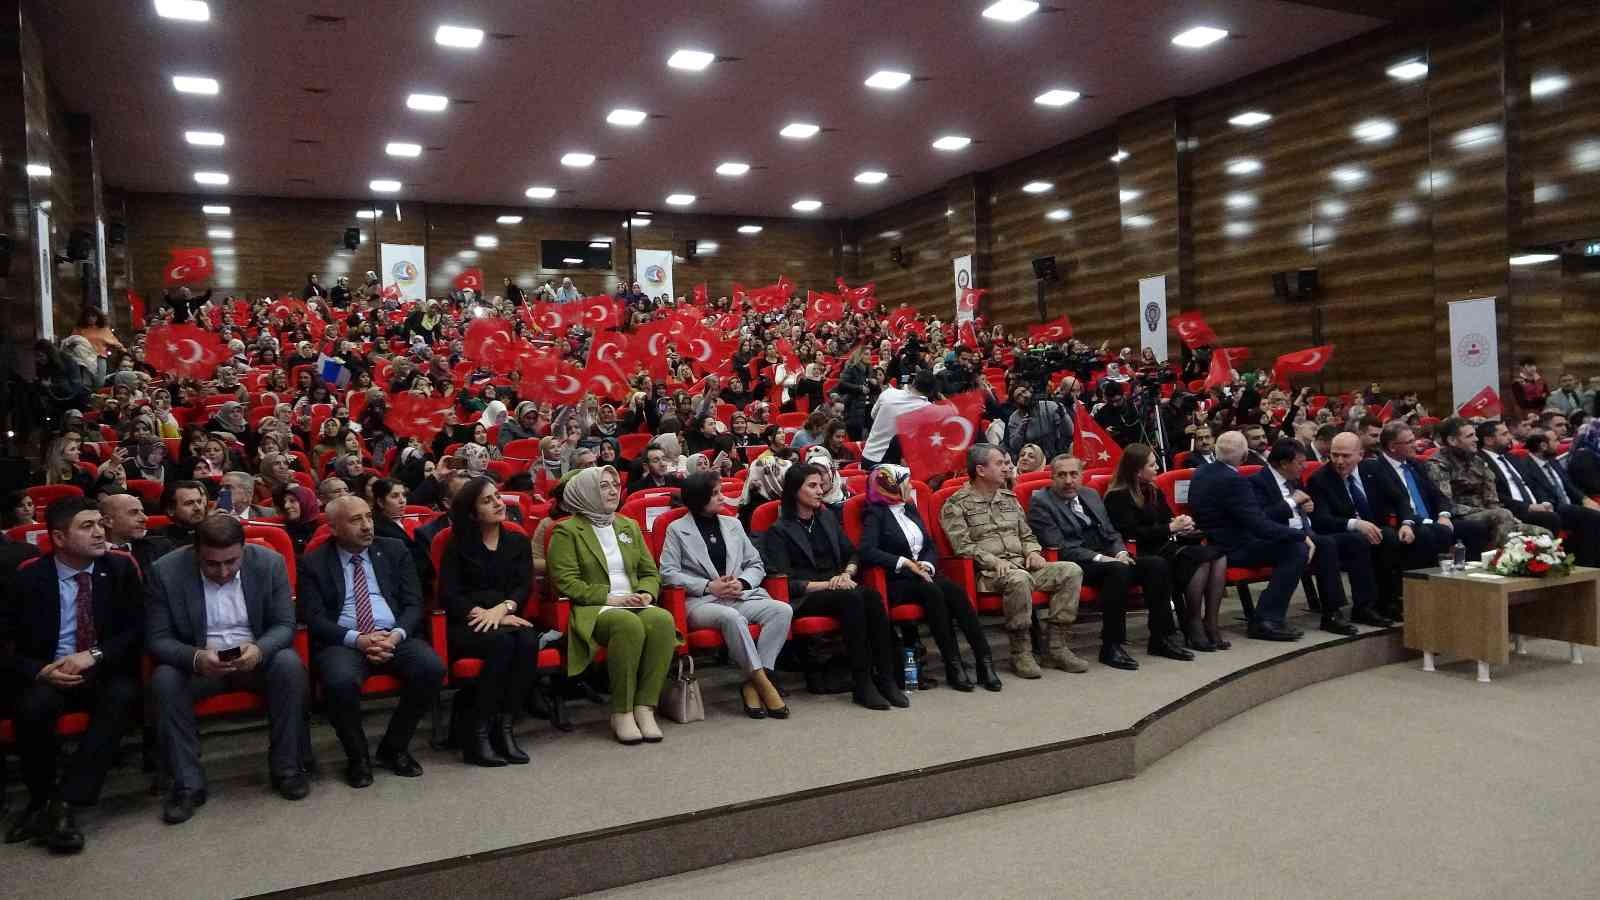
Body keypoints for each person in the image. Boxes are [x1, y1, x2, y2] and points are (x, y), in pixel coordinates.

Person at [146, 514, 311, 823]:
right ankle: (187, 785)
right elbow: (157, 639)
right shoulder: (165, 572)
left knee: (289, 665)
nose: (222, 571)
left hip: (254, 658)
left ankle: (288, 768)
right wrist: (196, 658)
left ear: (244, 549)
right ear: (196, 551)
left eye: (231, 562)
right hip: (200, 663)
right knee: (165, 679)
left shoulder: (269, 563)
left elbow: (284, 625)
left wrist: (260, 650)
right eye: (212, 564)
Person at [1, 499, 143, 853]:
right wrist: (39, 670)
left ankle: (64, 802)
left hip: (101, 668)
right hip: (48, 670)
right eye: (87, 526)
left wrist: (93, 655)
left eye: (99, 524)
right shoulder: (29, 576)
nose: (99, 532)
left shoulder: (119, 568)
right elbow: (5, 642)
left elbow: (136, 631)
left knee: (122, 696)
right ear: (59, 538)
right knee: (33, 707)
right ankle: (42, 798)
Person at [298, 497, 443, 787]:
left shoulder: (394, 549)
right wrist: (358, 640)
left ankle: (394, 747)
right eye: (355, 520)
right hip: (343, 640)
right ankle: (358, 757)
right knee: (339, 682)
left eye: (368, 517)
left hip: (394, 634)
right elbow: (312, 617)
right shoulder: (313, 562)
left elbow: (414, 603)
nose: (367, 526)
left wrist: (396, 635)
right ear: (334, 528)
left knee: (431, 668)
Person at [548, 466, 680, 743]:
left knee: (663, 620)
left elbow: (649, 572)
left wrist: (645, 593)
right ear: (585, 492)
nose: (612, 490)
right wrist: (610, 597)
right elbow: (566, 582)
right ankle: (621, 711)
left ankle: (645, 707)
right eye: (603, 486)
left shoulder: (627, 525)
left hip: (632, 601)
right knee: (627, 624)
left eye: (616, 484)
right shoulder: (566, 531)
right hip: (595, 607)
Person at [762, 463, 908, 710]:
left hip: (838, 585)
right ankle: (862, 685)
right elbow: (785, 582)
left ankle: (885, 678)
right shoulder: (779, 530)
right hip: (808, 595)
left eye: (821, 485)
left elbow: (853, 553)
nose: (820, 490)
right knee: (851, 599)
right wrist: (828, 584)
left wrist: (847, 573)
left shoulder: (826, 517)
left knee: (871, 596)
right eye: (812, 485)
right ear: (795, 491)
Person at [1028, 454, 1191, 665]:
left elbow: (1111, 533)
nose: (1069, 481)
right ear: (1052, 477)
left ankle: (1161, 638)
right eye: (1062, 475)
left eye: (1073, 474)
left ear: (1082, 476)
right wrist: (1103, 558)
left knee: (1155, 564)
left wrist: (1120, 552)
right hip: (1074, 564)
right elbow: (1060, 547)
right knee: (1118, 571)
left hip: (1108, 560)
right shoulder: (1041, 502)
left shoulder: (1090, 495)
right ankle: (1111, 645)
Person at [939, 444, 1085, 677]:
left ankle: (1057, 648)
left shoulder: (1009, 498)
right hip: (989, 574)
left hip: (1021, 564)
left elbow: (1026, 535)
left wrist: (1033, 552)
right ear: (981, 470)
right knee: (1019, 579)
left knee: (1070, 570)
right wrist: (993, 561)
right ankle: (1021, 652)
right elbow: (962, 547)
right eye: (1000, 463)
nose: (1007, 467)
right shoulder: (956, 504)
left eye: (1007, 463)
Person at [659, 472, 793, 717]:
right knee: (732, 618)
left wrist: (742, 582)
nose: (724, 497)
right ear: (699, 498)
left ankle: (752, 684)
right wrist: (709, 586)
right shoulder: (676, 529)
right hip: (702, 602)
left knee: (782, 610)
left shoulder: (733, 524)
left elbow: (756, 563)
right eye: (716, 493)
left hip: (738, 596)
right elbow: (667, 573)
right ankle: (763, 683)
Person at [859, 465, 1002, 692]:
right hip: (898, 581)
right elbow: (867, 551)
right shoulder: (874, 513)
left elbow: (929, 544)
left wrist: (926, 564)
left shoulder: (910, 507)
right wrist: (905, 563)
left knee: (955, 591)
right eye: (905, 481)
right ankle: (953, 665)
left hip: (924, 573)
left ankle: (985, 661)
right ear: (889, 484)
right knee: (932, 591)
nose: (910, 485)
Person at [437, 477, 540, 766]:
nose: (498, 503)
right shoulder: (457, 545)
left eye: (498, 496)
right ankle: (478, 732)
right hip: (468, 623)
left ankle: (504, 727)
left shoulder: (517, 540)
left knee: (528, 640)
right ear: (472, 513)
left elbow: (524, 586)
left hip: (507, 616)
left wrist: (503, 610)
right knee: (503, 644)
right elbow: (450, 594)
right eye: (487, 500)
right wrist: (484, 613)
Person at [1104, 443, 1231, 651]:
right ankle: (1193, 623)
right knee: (1200, 561)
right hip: (1143, 552)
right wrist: (1171, 527)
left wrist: (1181, 524)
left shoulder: (1152, 489)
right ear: (1137, 470)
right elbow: (1131, 533)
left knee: (1218, 556)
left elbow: (1165, 520)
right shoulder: (1117, 496)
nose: (1157, 469)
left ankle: (1211, 622)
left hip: (1166, 545)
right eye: (1152, 465)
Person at [1187, 431, 1309, 642]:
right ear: (1244, 457)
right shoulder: (1235, 480)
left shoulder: (1201, 471)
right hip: (1232, 548)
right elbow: (1260, 526)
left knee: (1289, 545)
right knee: (1295, 549)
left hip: (1213, 545)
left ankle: (1266, 616)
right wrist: (1298, 535)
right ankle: (1266, 620)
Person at [1252, 438, 1382, 633]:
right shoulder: (1258, 482)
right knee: (1326, 544)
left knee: (1356, 540)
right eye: (1300, 463)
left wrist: (1307, 508)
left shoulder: (1293, 479)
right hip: (1281, 536)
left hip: (1307, 533)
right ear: (1284, 463)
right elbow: (1262, 518)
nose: (1304, 466)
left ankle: (1364, 606)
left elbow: (1305, 509)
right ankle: (1332, 613)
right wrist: (1292, 502)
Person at [1425, 417, 1547, 552]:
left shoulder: (1478, 461)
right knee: (1502, 515)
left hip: (1491, 514)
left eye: (1475, 435)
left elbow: (1492, 499)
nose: (1476, 439)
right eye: (1470, 436)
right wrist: (1495, 513)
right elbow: (1446, 502)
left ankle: (1525, 565)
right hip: (1459, 515)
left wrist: (1507, 516)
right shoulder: (1438, 464)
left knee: (1543, 535)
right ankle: (1497, 561)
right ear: (1452, 440)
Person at [1476, 420, 1580, 560]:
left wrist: (1544, 502)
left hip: (1537, 505)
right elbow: (1496, 495)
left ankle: (1587, 567)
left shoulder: (1511, 458)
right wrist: (1529, 507)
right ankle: (1546, 564)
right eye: (1504, 434)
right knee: (1550, 518)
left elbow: (1531, 484)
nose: (1510, 438)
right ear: (1488, 440)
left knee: (1586, 517)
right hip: (1513, 510)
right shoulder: (1480, 461)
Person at [861, 370, 936, 468]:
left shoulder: (888, 393)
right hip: (891, 464)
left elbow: (873, 415)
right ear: (931, 391)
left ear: (913, 382)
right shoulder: (928, 409)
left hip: (869, 456)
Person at [98, 491, 175, 574]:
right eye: (134, 513)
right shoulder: (88, 554)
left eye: (142, 512)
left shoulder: (161, 547)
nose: (145, 518)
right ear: (108, 521)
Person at [1004, 383, 1074, 462]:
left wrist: (1063, 415)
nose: (1024, 396)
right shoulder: (1014, 418)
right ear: (1015, 403)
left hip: (1056, 454)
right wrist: (1021, 429)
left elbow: (1070, 432)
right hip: (1032, 459)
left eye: (1024, 392)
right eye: (1019, 396)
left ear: (1030, 392)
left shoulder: (1051, 406)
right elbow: (1014, 447)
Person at [160, 480, 210, 548]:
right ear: (171, 510)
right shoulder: (161, 541)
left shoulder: (213, 531)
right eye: (189, 503)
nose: (198, 508)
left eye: (199, 501)